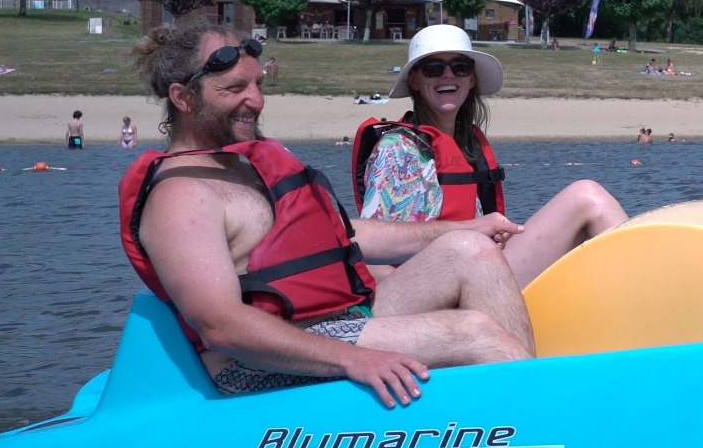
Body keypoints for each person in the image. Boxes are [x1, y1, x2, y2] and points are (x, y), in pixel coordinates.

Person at [121, 24, 534, 406]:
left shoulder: (246, 165)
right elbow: (221, 327)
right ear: (183, 97)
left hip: (336, 319)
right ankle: (541, 423)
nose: (257, 100)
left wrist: (466, 227)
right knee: (475, 334)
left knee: (470, 250)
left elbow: (342, 232)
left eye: (259, 85)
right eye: (235, 88)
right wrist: (352, 360)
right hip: (254, 366)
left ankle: (526, 401)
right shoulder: (180, 197)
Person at [353, 25, 628, 289]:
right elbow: (372, 258)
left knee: (586, 211)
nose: (448, 76)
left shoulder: (468, 143)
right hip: (435, 293)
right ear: (415, 79)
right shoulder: (397, 150)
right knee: (587, 197)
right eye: (434, 69)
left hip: (480, 272)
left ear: (471, 79)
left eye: (460, 67)